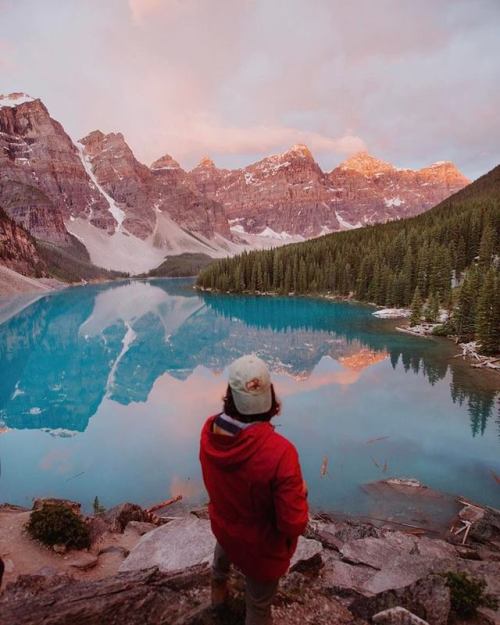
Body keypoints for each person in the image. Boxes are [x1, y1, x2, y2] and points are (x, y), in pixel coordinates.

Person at [199, 354, 309, 625]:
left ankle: (218, 599)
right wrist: (301, 495)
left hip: (224, 527)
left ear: (230, 396)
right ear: (270, 395)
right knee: (259, 607)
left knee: (223, 552)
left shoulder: (210, 431)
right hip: (261, 549)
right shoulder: (280, 452)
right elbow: (293, 523)